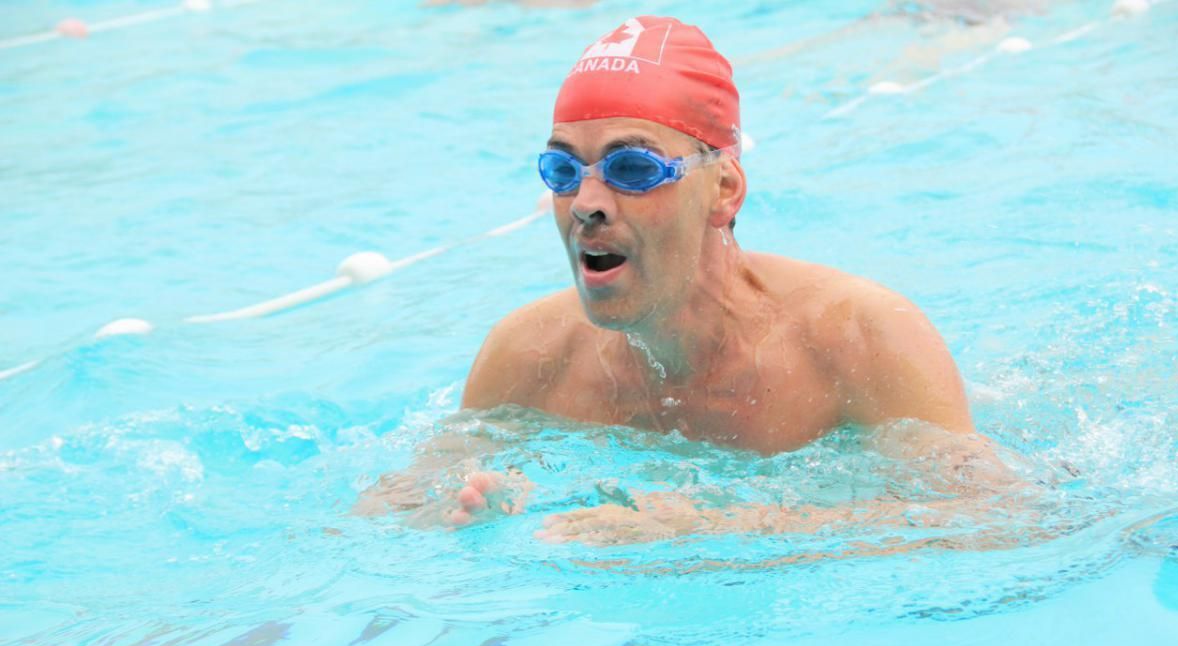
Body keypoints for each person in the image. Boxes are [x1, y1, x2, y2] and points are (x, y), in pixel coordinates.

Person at [357, 16, 1007, 540]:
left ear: (723, 189)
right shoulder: (526, 356)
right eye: (562, 171)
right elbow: (386, 515)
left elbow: (1000, 520)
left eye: (632, 169)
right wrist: (459, 513)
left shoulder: (862, 339)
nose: (587, 202)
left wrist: (722, 531)